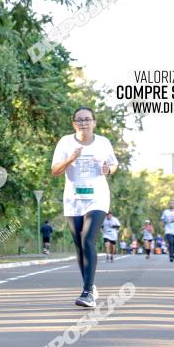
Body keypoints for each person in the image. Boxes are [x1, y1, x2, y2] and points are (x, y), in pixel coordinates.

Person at [50, 106, 118, 308]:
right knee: (79, 246)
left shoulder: (103, 143)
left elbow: (113, 164)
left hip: (97, 198)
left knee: (87, 238)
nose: (83, 123)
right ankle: (90, 285)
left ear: (94, 122)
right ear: (74, 124)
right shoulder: (65, 142)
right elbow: (54, 171)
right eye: (79, 120)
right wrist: (71, 158)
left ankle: (87, 292)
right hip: (73, 199)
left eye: (87, 119)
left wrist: (108, 169)